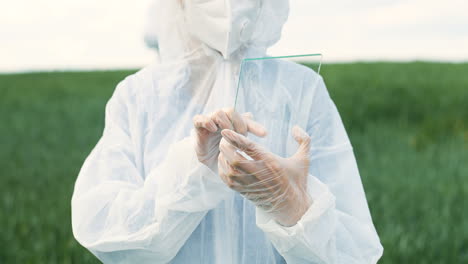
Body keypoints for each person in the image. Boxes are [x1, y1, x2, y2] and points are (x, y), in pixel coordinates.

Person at [71, 0, 383, 263]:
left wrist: (296, 207)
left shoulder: (302, 91)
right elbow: (101, 225)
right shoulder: (139, 98)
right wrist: (192, 175)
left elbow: (354, 252)